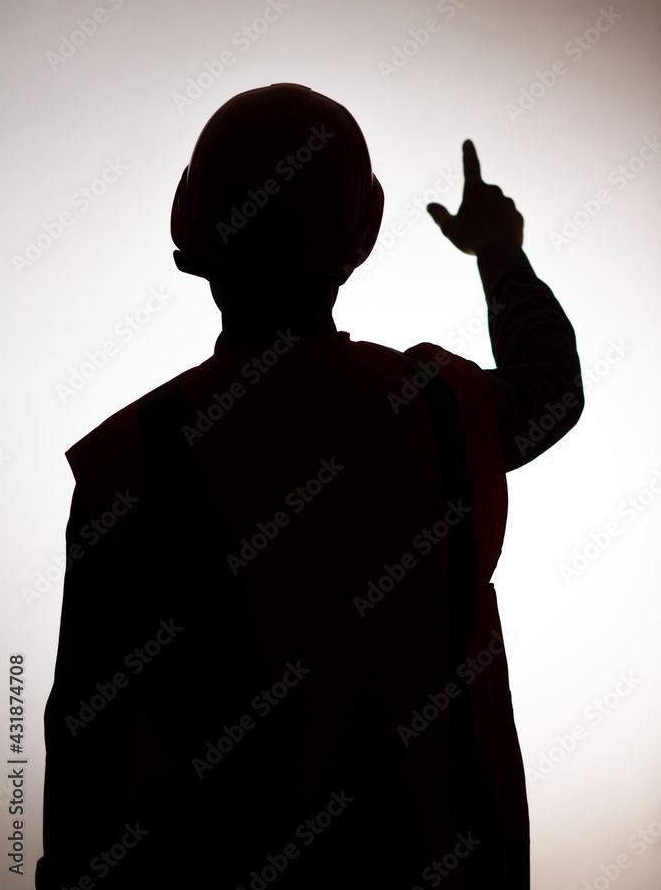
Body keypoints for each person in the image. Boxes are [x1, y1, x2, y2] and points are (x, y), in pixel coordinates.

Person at [36, 83, 583, 889]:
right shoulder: (437, 408)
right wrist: (498, 251)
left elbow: (83, 747)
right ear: (361, 236)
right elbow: (553, 390)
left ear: (187, 231)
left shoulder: (128, 460)